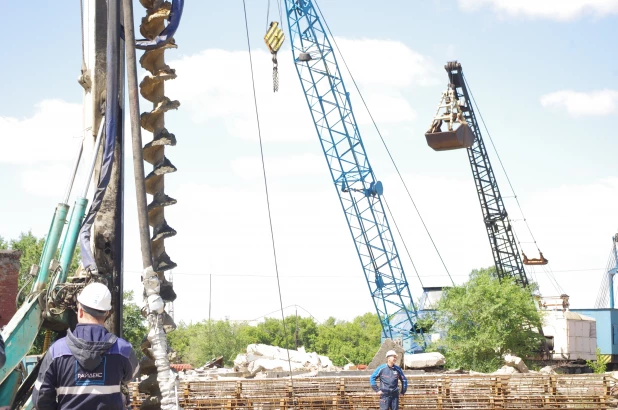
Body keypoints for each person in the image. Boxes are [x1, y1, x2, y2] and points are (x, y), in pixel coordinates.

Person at [32, 282, 138, 410]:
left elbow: (40, 400)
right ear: (107, 313)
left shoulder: (56, 351)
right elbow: (132, 375)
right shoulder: (123, 350)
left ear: (80, 311)